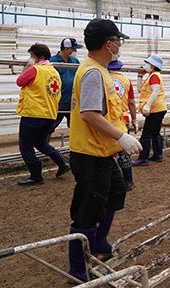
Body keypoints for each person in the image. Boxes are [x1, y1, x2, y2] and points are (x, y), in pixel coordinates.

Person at [67, 18, 142, 282]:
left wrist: (122, 131)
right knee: (88, 210)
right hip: (89, 153)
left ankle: (98, 242)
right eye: (117, 40)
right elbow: (89, 113)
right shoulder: (92, 73)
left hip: (103, 150)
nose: (119, 44)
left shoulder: (100, 70)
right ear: (108, 44)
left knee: (115, 192)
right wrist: (121, 136)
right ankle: (78, 267)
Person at [15, 43, 70, 186]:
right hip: (50, 114)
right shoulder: (54, 71)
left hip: (33, 113)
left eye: (32, 56)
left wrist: (27, 67)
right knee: (40, 142)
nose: (30, 59)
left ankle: (36, 175)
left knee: (25, 146)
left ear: (40, 57)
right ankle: (62, 163)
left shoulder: (35, 69)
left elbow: (19, 81)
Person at [132, 54, 167, 165]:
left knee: (146, 133)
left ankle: (143, 158)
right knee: (155, 132)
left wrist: (147, 106)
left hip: (155, 109)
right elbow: (139, 90)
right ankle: (158, 155)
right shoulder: (152, 76)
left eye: (147, 63)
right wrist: (139, 76)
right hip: (159, 108)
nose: (145, 65)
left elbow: (155, 91)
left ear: (152, 66)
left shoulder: (154, 76)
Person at [109, 60, 137, 190]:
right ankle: (128, 180)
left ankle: (111, 179)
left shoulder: (103, 78)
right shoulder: (126, 80)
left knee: (108, 150)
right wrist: (134, 119)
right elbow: (131, 102)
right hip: (123, 118)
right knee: (123, 151)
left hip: (107, 120)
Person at [48, 38, 83, 135]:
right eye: (74, 49)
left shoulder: (75, 61)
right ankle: (43, 147)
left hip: (72, 101)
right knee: (50, 127)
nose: (75, 51)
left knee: (76, 126)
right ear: (67, 49)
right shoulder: (52, 61)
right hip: (58, 100)